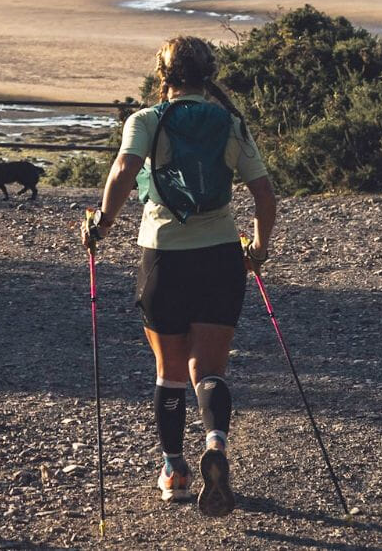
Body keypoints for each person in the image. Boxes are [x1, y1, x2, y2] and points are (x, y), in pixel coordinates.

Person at [81, 36, 277, 518]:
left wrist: (102, 224)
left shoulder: (146, 120)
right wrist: (257, 249)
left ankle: (175, 472)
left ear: (162, 75)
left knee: (169, 371)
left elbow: (124, 170)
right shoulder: (231, 122)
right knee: (209, 369)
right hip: (220, 257)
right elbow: (265, 195)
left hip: (164, 257)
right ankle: (216, 444)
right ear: (208, 75)